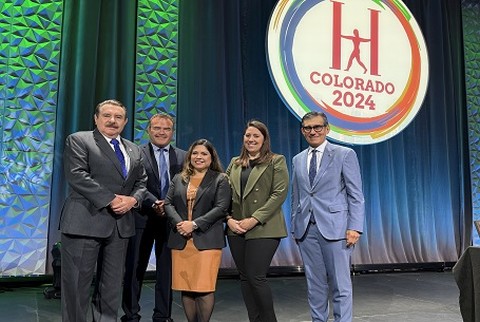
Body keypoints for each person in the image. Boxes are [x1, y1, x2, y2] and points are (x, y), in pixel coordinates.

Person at [59, 99, 148, 322]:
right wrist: (110, 200)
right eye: (107, 115)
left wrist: (133, 201)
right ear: (96, 118)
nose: (112, 121)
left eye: (118, 117)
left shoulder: (134, 149)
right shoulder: (80, 140)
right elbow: (77, 175)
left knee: (111, 289)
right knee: (77, 287)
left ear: (125, 121)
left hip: (120, 227)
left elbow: (142, 182)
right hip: (84, 223)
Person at [291, 111, 365, 322]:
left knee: (340, 285)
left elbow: (356, 195)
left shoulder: (344, 154)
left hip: (337, 229)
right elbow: (296, 196)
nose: (312, 132)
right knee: (314, 285)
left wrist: (355, 227)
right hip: (306, 230)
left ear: (327, 129)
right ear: (302, 131)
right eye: (308, 128)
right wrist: (295, 225)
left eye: (317, 127)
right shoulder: (297, 159)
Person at [122, 113, 186, 322]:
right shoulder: (136, 153)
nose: (161, 132)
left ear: (172, 132)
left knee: (166, 270)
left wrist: (167, 206)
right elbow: (134, 184)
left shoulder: (184, 156)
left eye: (166, 129)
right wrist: (155, 203)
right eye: (157, 128)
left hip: (171, 221)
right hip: (142, 217)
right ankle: (131, 315)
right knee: (135, 268)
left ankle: (163, 315)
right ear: (148, 130)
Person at [225, 120, 289, 322]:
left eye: (256, 136)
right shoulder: (235, 162)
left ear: (264, 140)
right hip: (236, 228)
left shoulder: (276, 160)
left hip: (264, 227)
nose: (251, 139)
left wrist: (254, 219)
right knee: (245, 278)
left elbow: (279, 194)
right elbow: (223, 193)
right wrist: (228, 220)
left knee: (256, 276)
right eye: (247, 135)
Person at [164, 139, 231, 322]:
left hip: (206, 240)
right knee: (186, 287)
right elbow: (168, 203)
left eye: (203, 154)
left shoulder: (220, 179)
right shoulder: (179, 178)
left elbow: (221, 208)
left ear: (211, 158)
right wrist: (180, 224)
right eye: (195, 153)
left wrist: (193, 224)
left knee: (204, 288)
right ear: (189, 156)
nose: (198, 157)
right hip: (181, 240)